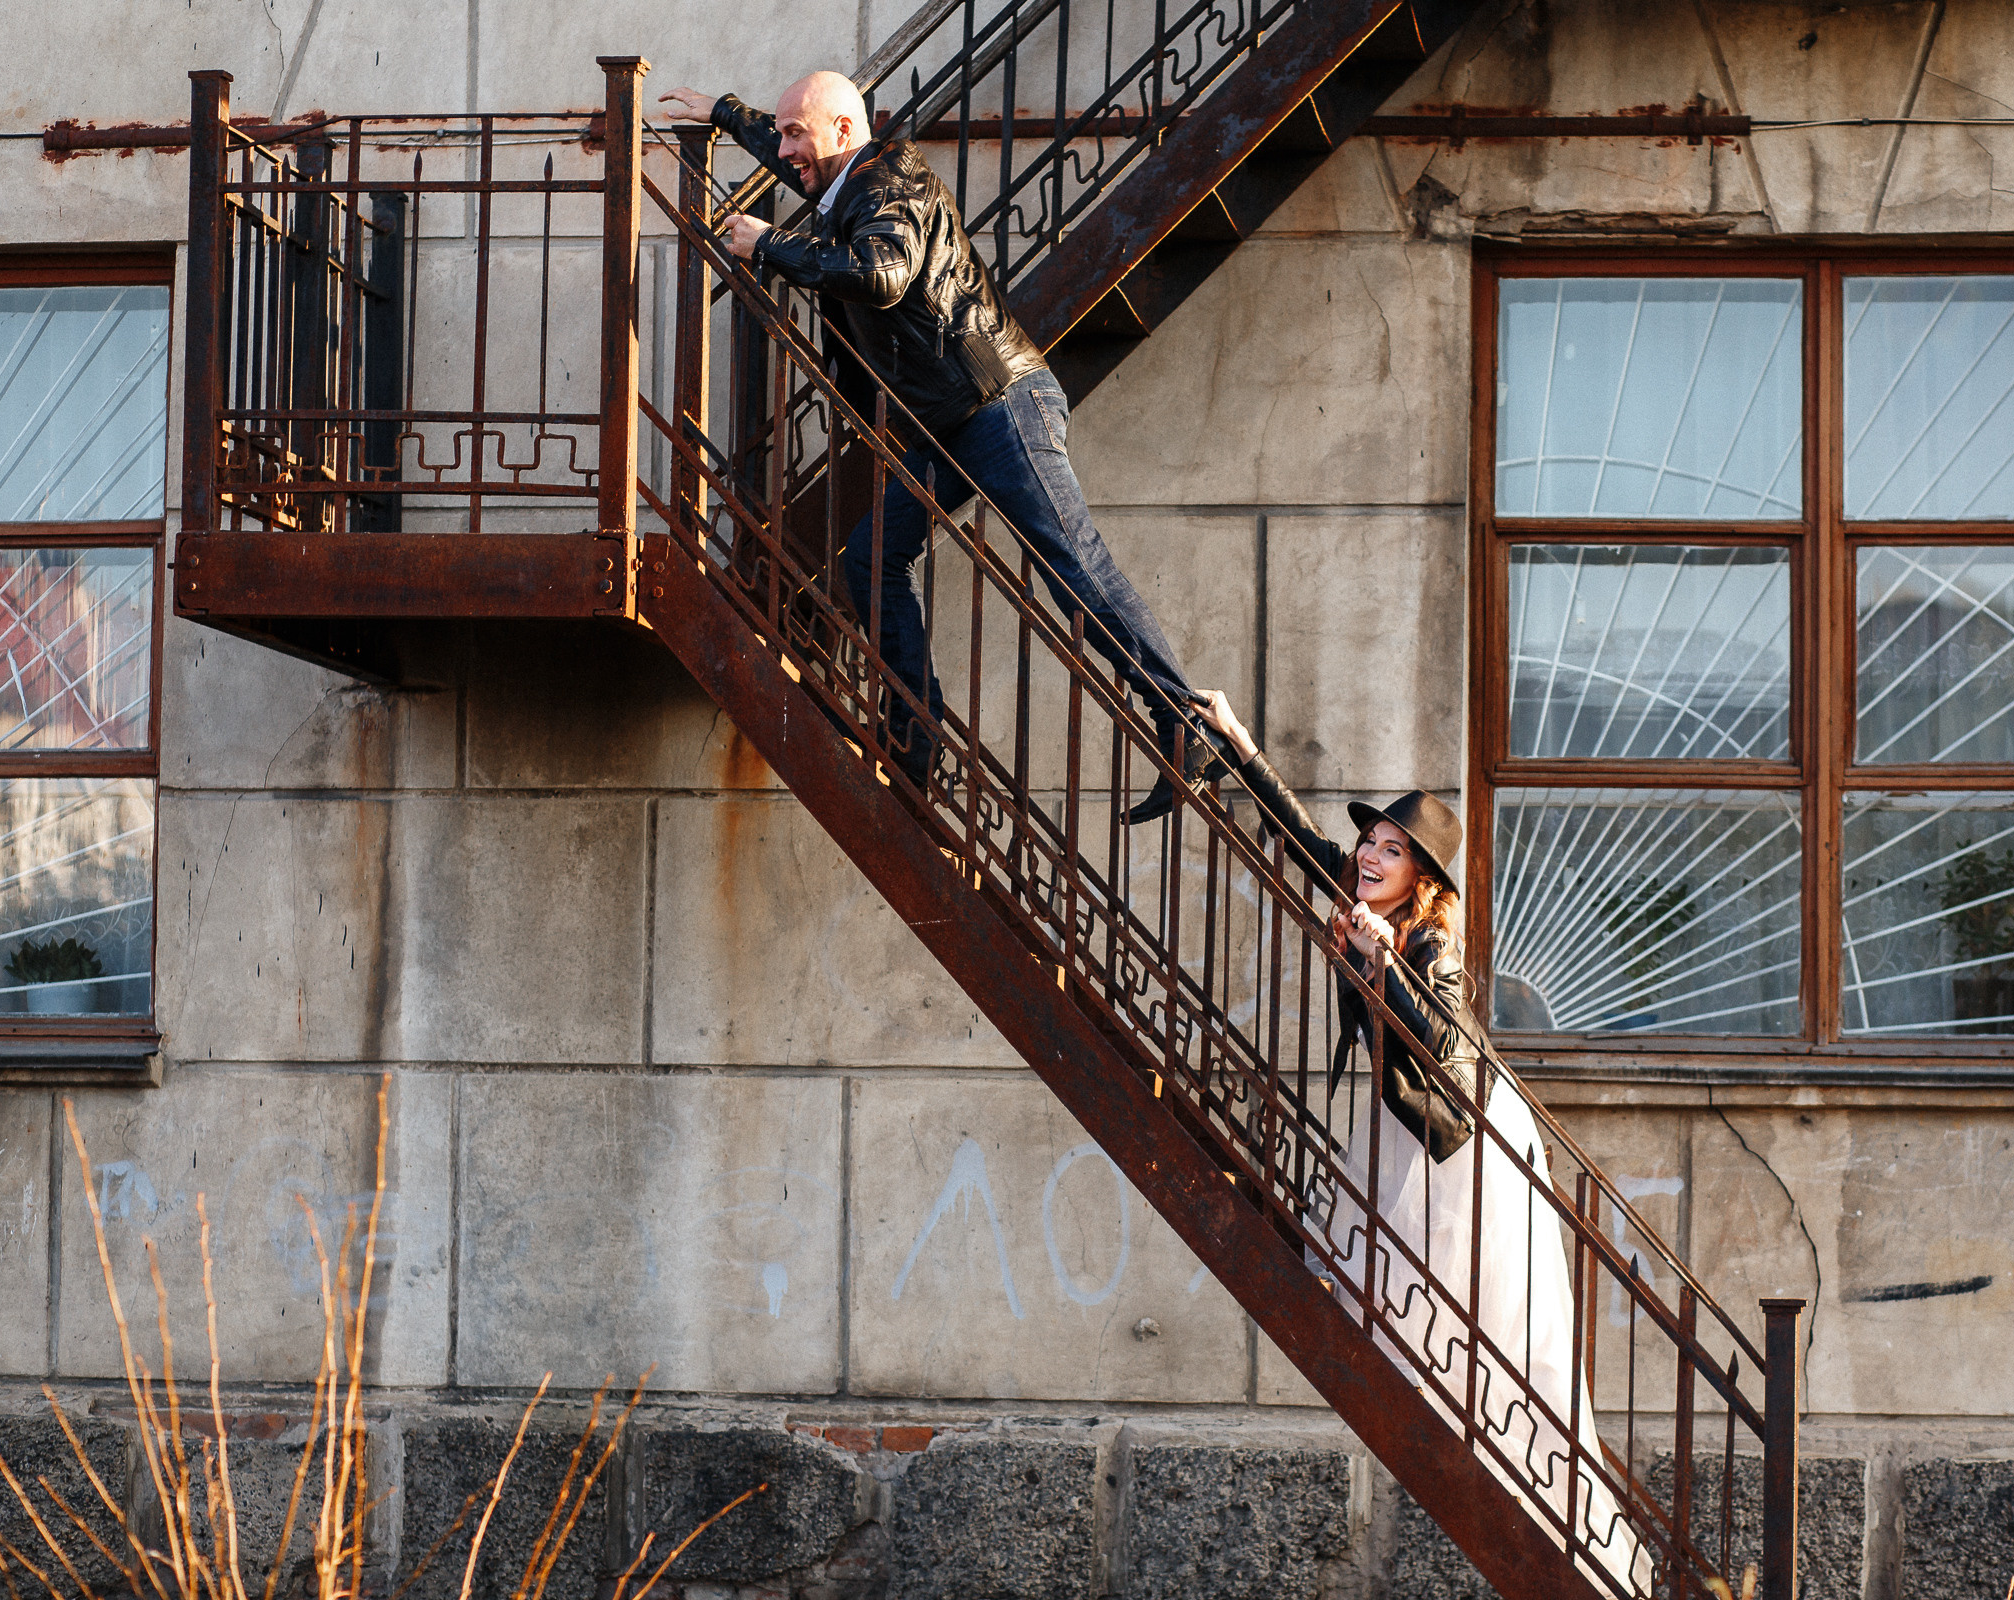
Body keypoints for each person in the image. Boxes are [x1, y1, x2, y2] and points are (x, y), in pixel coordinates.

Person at [654, 72, 1219, 823]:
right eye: (781, 131)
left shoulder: (892, 181)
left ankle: (1182, 718)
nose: (785, 148)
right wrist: (727, 115)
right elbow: (798, 153)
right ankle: (915, 738)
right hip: (951, 423)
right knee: (871, 556)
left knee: (1070, 559)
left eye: (798, 132)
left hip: (1000, 405)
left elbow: (882, 275)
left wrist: (771, 247)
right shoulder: (839, 173)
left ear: (847, 133)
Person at [1192, 690, 1644, 1593]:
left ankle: (1569, 1523)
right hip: (1413, 1135)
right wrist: (1239, 743)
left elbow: (1447, 1056)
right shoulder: (1364, 898)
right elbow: (1293, 833)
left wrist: (1386, 966)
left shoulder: (1430, 946)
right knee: (1407, 1313)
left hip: (1464, 1148)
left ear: (1420, 878)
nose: (1369, 854)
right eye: (1370, 841)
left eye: (1391, 850)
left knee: (1498, 1336)